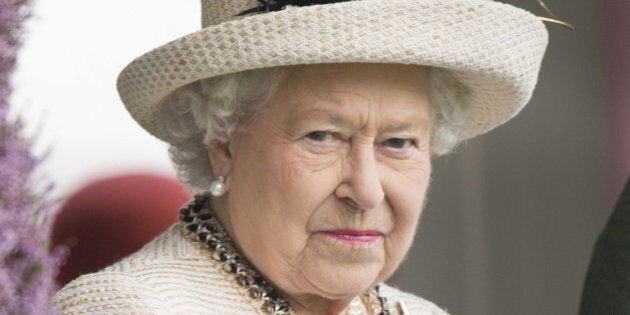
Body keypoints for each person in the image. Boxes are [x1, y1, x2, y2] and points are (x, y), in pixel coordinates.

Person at [55, 0, 549, 314]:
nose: (367, 190)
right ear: (223, 142)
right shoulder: (130, 308)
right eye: (322, 136)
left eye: (398, 142)